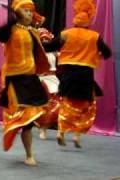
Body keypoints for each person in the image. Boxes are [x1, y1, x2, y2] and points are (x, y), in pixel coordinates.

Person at [43, 0, 112, 148]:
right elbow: (107, 53)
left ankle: (60, 132)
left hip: (68, 74)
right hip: (86, 75)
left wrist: (36, 41)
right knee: (85, 106)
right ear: (88, 22)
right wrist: (96, 54)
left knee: (66, 103)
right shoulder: (94, 36)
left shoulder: (66, 34)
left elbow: (49, 47)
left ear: (75, 21)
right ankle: (76, 136)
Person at [0, 0, 50, 166]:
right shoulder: (10, 30)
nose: (30, 14)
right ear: (18, 13)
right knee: (21, 116)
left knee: (30, 121)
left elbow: (44, 50)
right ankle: (16, 133)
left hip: (31, 79)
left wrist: (63, 40)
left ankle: (29, 154)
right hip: (15, 80)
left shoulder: (33, 32)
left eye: (31, 11)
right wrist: (12, 20)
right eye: (26, 11)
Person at [35, 28, 60, 140]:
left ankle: (60, 131)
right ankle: (42, 129)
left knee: (58, 105)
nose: (45, 41)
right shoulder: (35, 53)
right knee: (44, 106)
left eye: (47, 39)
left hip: (53, 80)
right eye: (42, 39)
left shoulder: (55, 53)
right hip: (41, 80)